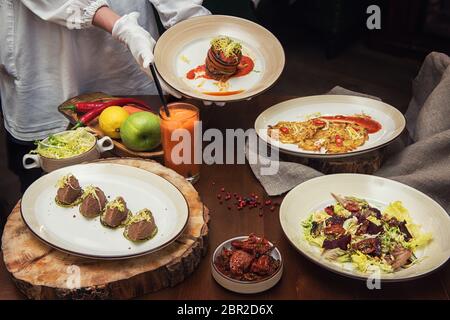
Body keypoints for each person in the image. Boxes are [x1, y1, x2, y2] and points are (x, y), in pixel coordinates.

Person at [0, 0, 210, 191]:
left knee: (144, 191)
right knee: (52, 197)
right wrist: (122, 27)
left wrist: (195, 27)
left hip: (127, 65)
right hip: (46, 66)